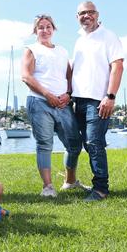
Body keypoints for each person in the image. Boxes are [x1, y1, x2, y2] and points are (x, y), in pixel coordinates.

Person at [21, 15, 86, 198]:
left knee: (74, 143)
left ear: (53, 29)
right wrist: (47, 95)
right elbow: (26, 76)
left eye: (48, 26)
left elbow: (69, 76)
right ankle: (48, 186)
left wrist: (68, 94)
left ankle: (70, 181)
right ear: (35, 31)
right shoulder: (30, 50)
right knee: (44, 144)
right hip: (39, 102)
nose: (45, 30)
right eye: (40, 27)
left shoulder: (63, 51)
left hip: (62, 103)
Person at [71, 1, 124, 201]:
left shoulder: (108, 36)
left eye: (90, 12)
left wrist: (110, 96)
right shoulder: (79, 41)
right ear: (77, 17)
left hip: (98, 100)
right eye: (82, 13)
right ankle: (97, 184)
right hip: (79, 100)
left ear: (97, 14)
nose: (86, 16)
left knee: (94, 142)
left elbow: (117, 66)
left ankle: (101, 188)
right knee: (88, 143)